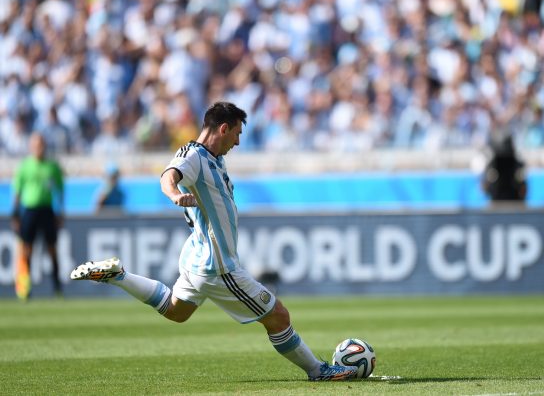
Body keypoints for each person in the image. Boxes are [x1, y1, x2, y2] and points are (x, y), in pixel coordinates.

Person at [70, 102, 357, 381]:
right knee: (278, 316)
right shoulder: (194, 156)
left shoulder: (213, 159)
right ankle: (318, 371)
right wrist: (174, 195)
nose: (238, 141)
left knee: (176, 310)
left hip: (197, 257)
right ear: (223, 128)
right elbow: (168, 176)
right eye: (237, 133)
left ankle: (119, 276)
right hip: (218, 266)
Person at [11, 133, 65, 300]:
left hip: (47, 210)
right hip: (29, 210)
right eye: (35, 144)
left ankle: (57, 287)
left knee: (52, 249)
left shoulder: (52, 166)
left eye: (41, 144)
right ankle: (25, 289)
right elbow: (18, 192)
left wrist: (60, 212)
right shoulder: (25, 166)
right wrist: (15, 213)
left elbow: (60, 190)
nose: (38, 148)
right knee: (27, 250)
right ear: (31, 147)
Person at [482, 131, 527, 204]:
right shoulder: (492, 166)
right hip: (497, 204)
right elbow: (485, 187)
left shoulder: (517, 165)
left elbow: (523, 188)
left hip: (514, 204)